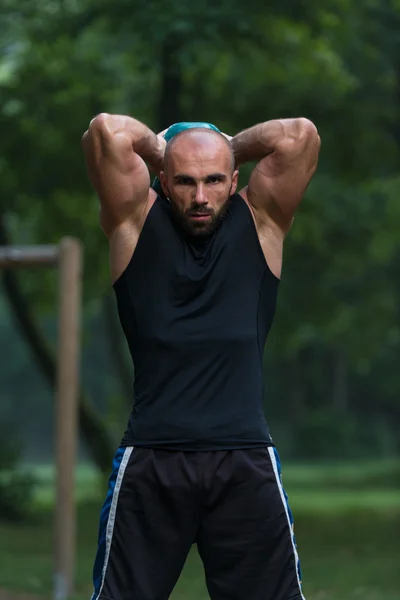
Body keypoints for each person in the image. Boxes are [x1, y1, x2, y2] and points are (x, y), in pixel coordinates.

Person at [82, 115, 320, 600]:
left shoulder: (261, 221)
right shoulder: (134, 221)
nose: (201, 196)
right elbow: (106, 132)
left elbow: (300, 136)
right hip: (152, 460)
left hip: (244, 461)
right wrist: (165, 150)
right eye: (186, 181)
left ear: (234, 181)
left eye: (214, 179)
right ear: (164, 182)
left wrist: (226, 144)